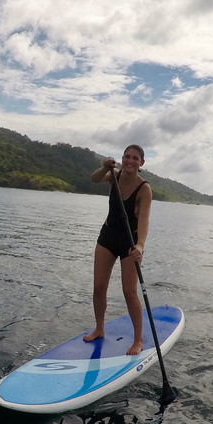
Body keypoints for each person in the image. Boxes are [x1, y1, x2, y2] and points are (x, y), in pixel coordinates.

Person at [84, 144, 152, 355]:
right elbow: (94, 178)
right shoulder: (114, 175)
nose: (130, 161)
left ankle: (138, 339)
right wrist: (104, 167)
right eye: (127, 157)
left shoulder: (144, 189)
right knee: (98, 288)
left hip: (129, 244)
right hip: (107, 237)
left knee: (129, 292)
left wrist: (140, 246)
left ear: (141, 163)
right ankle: (99, 328)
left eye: (135, 158)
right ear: (122, 159)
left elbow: (143, 222)